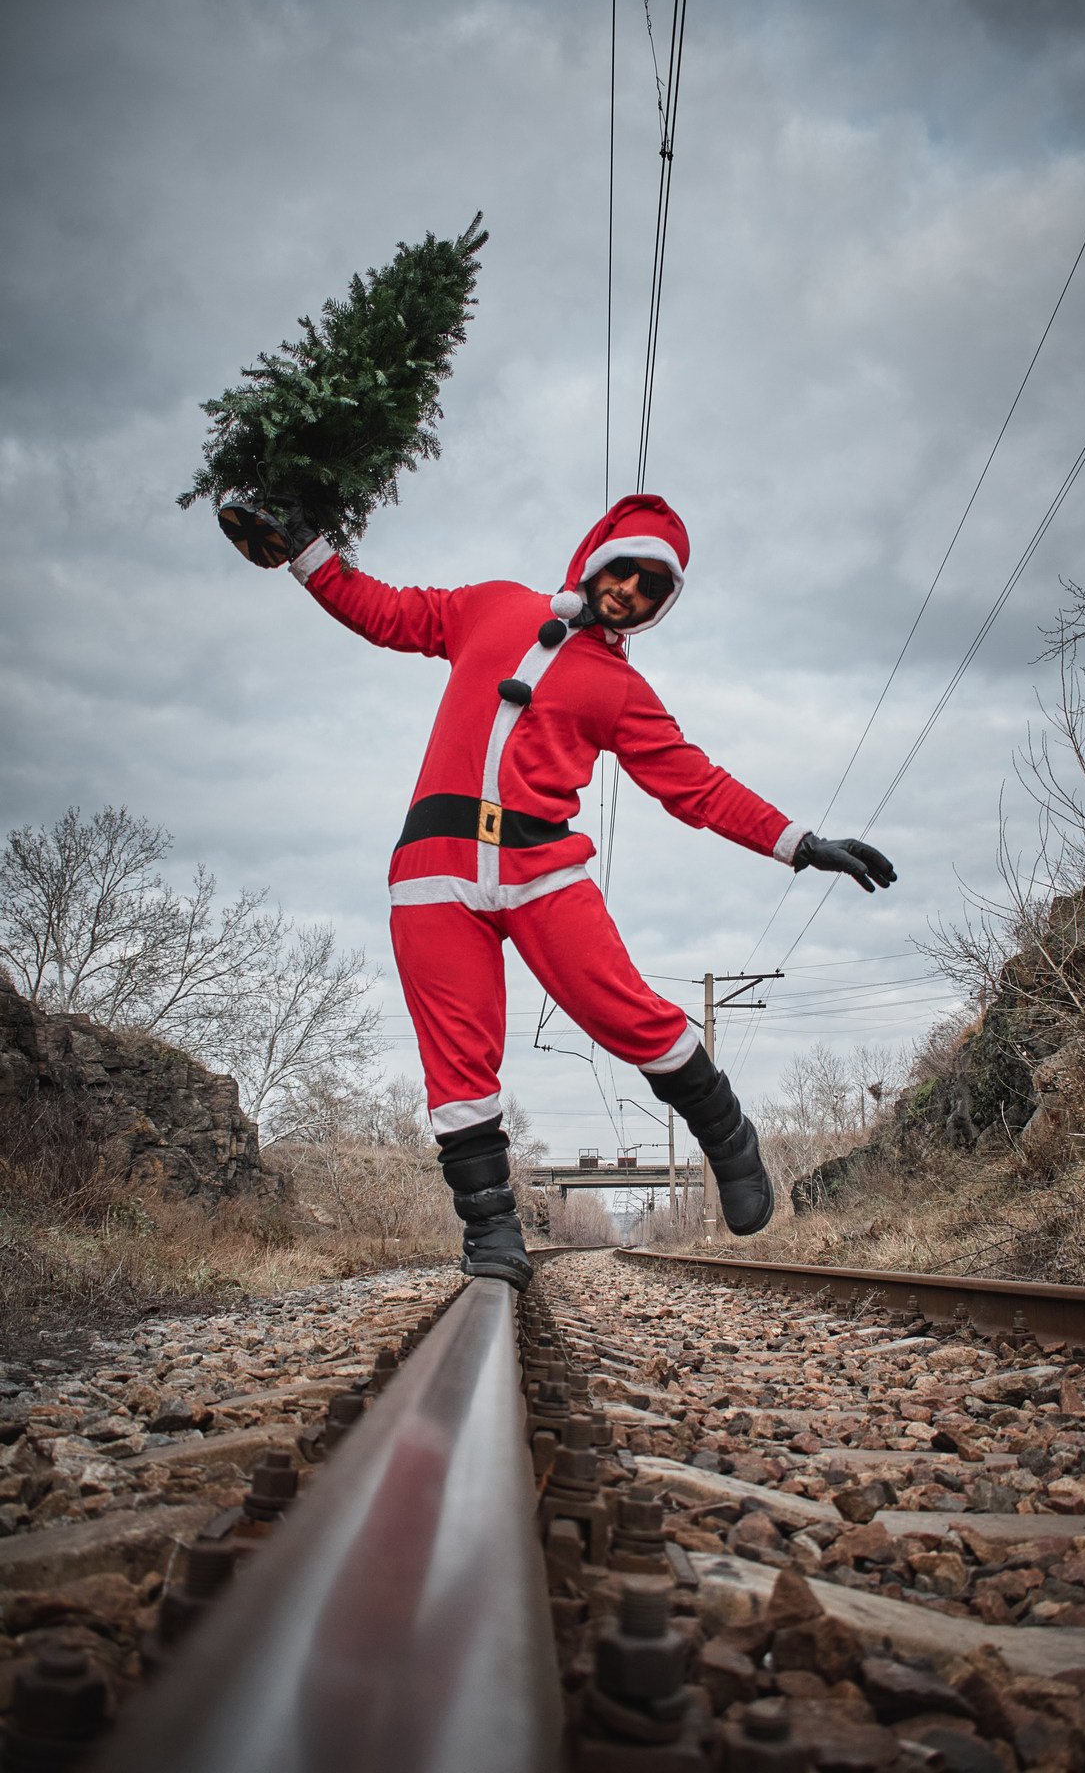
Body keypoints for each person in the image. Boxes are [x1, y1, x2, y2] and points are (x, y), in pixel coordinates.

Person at [218, 492, 897, 1289]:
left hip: (541, 867)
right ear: (596, 558)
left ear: (661, 604)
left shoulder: (620, 688)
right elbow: (386, 612)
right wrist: (309, 553)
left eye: (652, 587)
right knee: (457, 1057)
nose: (630, 591)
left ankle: (727, 1134)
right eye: (625, 570)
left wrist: (798, 842)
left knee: (626, 1012)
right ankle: (491, 1229)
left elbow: (696, 785)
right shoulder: (493, 606)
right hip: (435, 867)